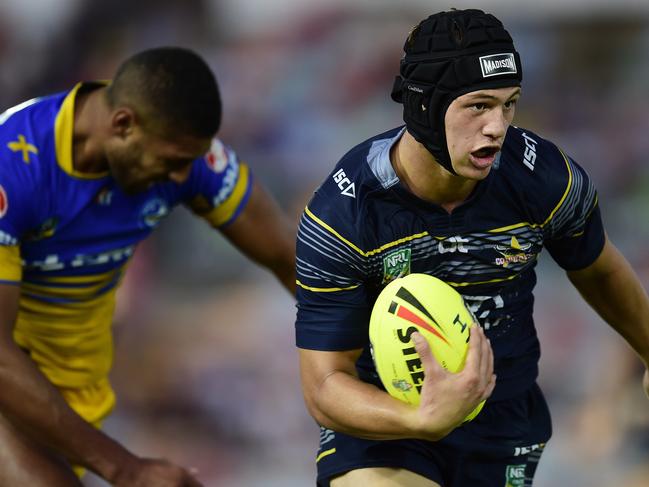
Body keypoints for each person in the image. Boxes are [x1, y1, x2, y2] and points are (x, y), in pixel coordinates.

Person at [295, 8, 649, 487]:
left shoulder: (546, 178)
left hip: (504, 422)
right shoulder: (343, 214)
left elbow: (599, 270)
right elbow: (323, 386)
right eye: (478, 105)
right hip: (386, 425)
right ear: (425, 106)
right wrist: (420, 419)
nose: (497, 126)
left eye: (509, 104)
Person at [0, 47, 295, 486]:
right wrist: (127, 468)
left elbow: (290, 260)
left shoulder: (182, 153)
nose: (181, 180)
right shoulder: (14, 165)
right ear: (122, 125)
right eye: (172, 163)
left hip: (73, 394)